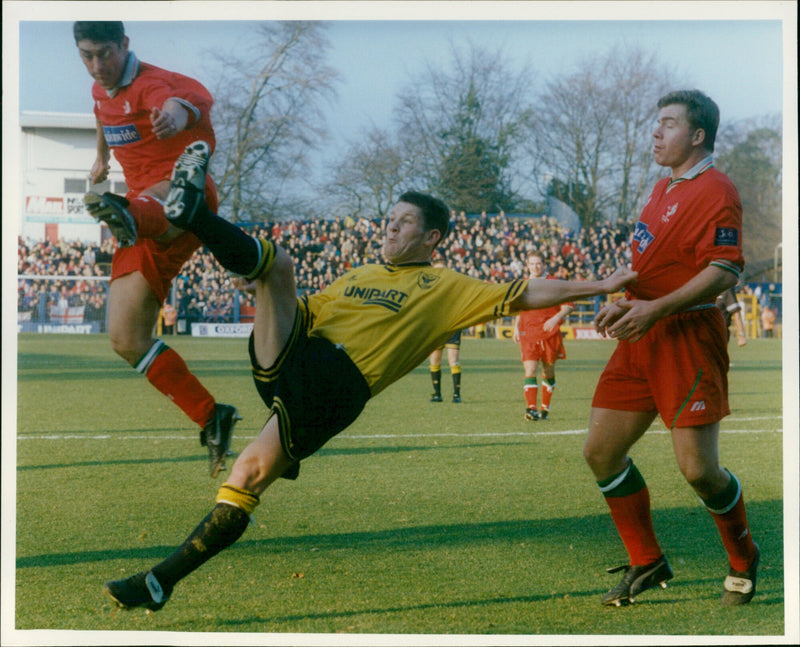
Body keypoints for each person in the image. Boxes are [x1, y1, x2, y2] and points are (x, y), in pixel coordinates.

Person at [102, 141, 637, 611]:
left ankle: (158, 582)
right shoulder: (361, 273)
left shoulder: (446, 286)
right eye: (388, 218)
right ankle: (194, 215)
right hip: (293, 360)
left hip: (336, 386)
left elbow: (528, 291)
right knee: (275, 271)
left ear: (431, 238)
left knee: (244, 478)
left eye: (403, 222)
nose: (389, 226)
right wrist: (266, 295)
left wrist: (599, 285)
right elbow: (305, 312)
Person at [583, 90, 759, 608]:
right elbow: (651, 267)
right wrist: (624, 302)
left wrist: (654, 309)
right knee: (601, 451)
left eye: (667, 124)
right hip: (641, 335)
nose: (655, 133)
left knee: (699, 470)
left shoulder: (716, 189)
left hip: (687, 339)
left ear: (697, 135)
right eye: (656, 124)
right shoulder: (662, 189)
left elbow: (725, 268)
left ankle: (744, 555)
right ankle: (647, 560)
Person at [73, 21, 239, 477]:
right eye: (86, 55)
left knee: (159, 202)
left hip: (182, 194)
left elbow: (173, 101)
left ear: (125, 45)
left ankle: (129, 213)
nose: (96, 65)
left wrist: (174, 116)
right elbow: (103, 114)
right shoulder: (99, 90)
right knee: (126, 339)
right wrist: (102, 157)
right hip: (144, 216)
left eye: (104, 53)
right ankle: (212, 416)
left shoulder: (150, 85)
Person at [513, 252, 573, 420]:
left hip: (549, 335)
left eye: (538, 263)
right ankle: (531, 409)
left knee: (548, 371)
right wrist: (516, 327)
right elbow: (519, 307)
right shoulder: (523, 284)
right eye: (532, 264)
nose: (535, 267)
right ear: (527, 265)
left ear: (544, 264)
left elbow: (569, 306)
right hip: (528, 334)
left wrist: (555, 318)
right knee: (530, 370)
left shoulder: (554, 283)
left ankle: (545, 407)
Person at [428, 331, 463, 403]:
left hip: (453, 329)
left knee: (453, 360)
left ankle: (456, 395)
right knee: (434, 360)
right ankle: (437, 394)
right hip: (438, 329)